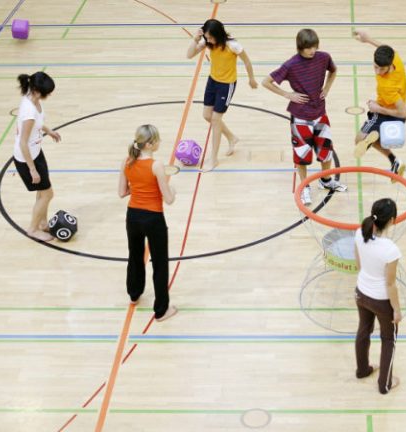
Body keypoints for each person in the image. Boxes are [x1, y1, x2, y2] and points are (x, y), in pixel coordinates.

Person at [262, 28, 346, 206]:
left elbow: (333, 71)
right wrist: (287, 95)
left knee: (326, 150)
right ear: (300, 47)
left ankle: (325, 181)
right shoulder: (291, 65)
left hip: (320, 114)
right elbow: (266, 82)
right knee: (301, 155)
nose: (313, 51)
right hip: (300, 117)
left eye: (315, 47)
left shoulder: (324, 57)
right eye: (309, 48)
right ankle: (304, 186)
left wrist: (327, 88)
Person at [118, 125, 178, 322]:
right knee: (160, 263)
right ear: (150, 144)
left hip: (133, 217)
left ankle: (134, 293)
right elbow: (168, 199)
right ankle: (161, 310)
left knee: (135, 256)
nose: (160, 142)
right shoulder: (156, 165)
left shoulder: (127, 161)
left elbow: (121, 192)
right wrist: (172, 190)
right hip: (153, 218)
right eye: (158, 139)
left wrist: (138, 187)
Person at [187, 19, 257, 171]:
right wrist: (196, 39)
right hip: (212, 81)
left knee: (215, 119)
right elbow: (189, 55)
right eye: (207, 37)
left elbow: (247, 61)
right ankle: (232, 137)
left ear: (218, 34)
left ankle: (214, 159)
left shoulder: (233, 45)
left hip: (227, 85)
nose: (209, 40)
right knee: (207, 115)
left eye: (211, 37)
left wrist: (251, 79)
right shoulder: (208, 43)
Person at [354, 198, 402, 394]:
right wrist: (397, 310)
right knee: (388, 340)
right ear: (391, 220)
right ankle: (384, 384)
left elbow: (358, 264)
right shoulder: (390, 249)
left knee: (363, 330)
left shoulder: (359, 233)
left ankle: (362, 370)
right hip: (381, 301)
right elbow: (390, 284)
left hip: (361, 292)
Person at [13, 72, 61, 242]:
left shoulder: (32, 97)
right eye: (47, 92)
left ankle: (42, 222)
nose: (49, 95)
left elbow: (37, 123)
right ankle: (32, 229)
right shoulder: (29, 112)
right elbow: (23, 143)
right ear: (38, 91)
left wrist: (49, 131)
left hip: (36, 153)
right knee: (48, 194)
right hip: (27, 159)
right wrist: (32, 169)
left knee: (43, 191)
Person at [352, 30, 406, 179]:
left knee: (359, 140)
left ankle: (375, 139)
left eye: (382, 69)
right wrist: (368, 39)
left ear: (389, 65)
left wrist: (378, 108)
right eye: (375, 66)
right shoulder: (395, 59)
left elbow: (403, 113)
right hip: (389, 109)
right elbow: (387, 49)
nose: (377, 71)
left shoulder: (388, 86)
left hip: (389, 113)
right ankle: (394, 161)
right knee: (367, 139)